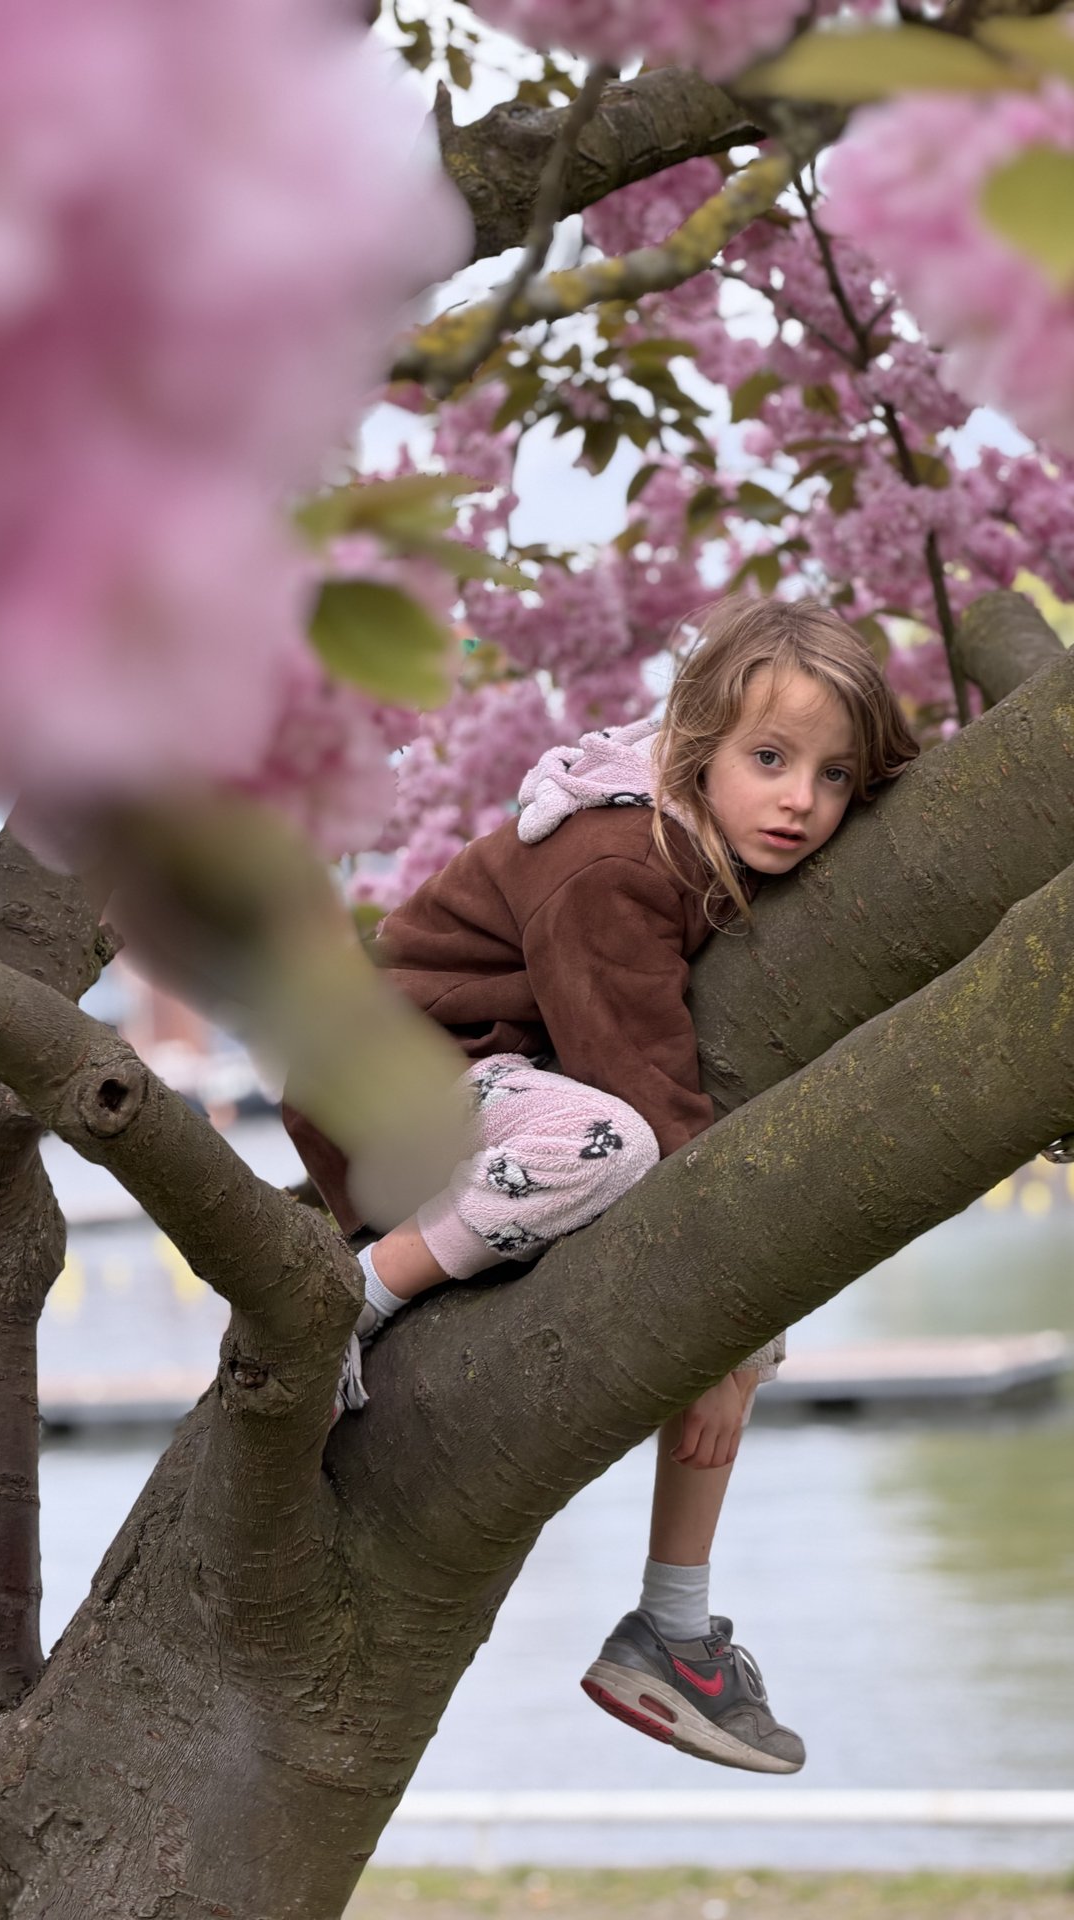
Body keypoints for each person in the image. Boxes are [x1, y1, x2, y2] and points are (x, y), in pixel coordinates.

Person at [284, 595, 919, 1774]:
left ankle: (673, 1627)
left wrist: (744, 1339)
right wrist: (740, 1328)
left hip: (495, 1089)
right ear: (693, 748)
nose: (801, 801)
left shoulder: (703, 831)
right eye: (770, 761)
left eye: (835, 780)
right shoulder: (615, 863)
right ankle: (353, 1301)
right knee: (624, 1150)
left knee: (728, 1275)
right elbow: (655, 1114)